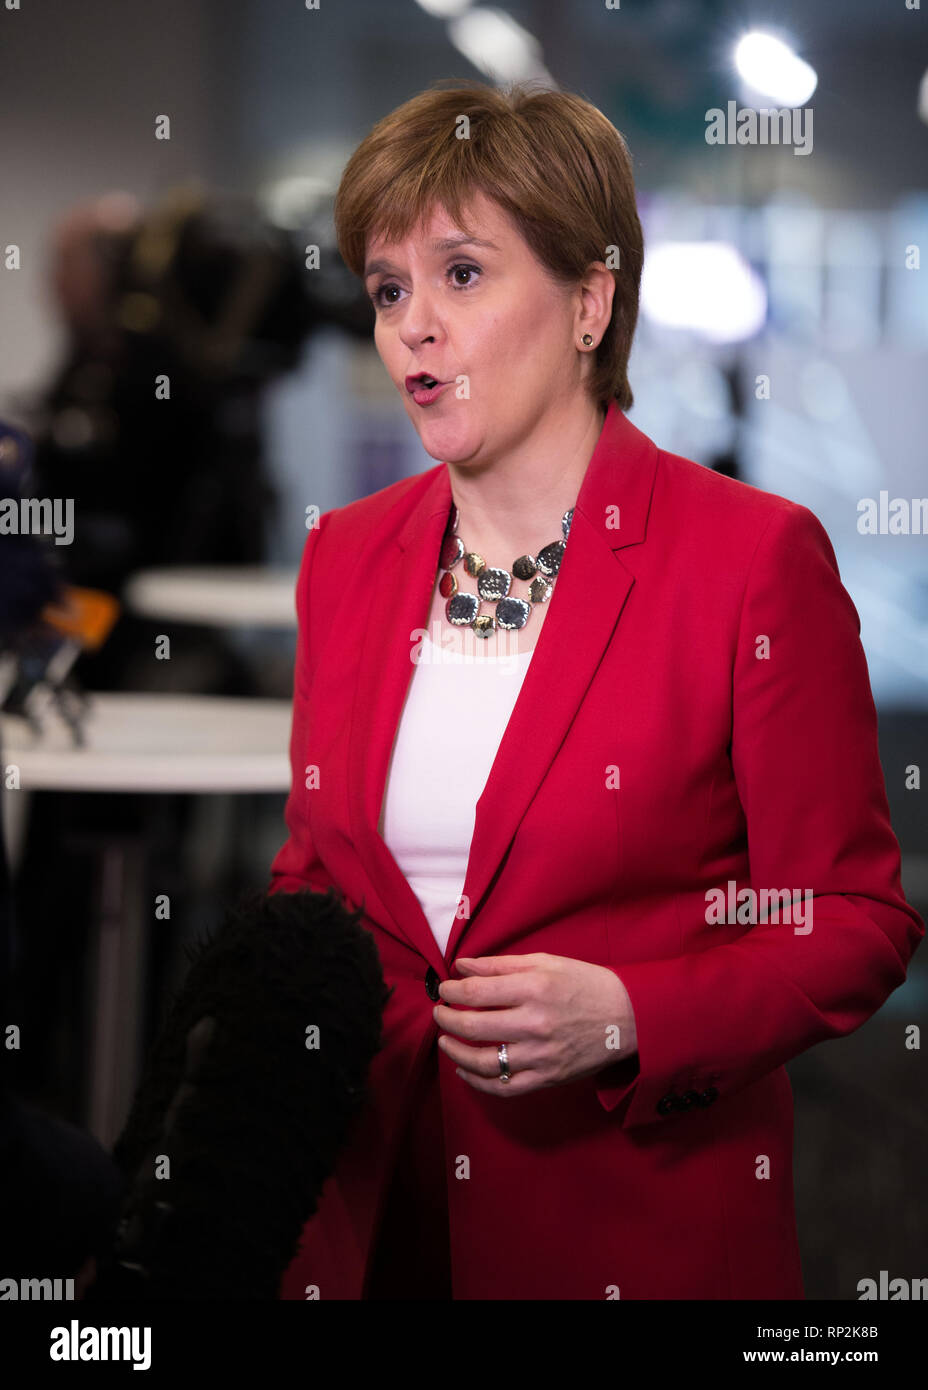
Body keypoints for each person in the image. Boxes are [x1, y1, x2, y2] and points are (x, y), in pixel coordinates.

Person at [267, 80, 925, 1300]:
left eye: (462, 275)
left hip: (625, 1226)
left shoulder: (748, 559)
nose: (414, 324)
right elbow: (315, 880)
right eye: (388, 287)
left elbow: (851, 919)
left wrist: (632, 1012)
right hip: (368, 1217)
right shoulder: (345, 556)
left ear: (588, 301)